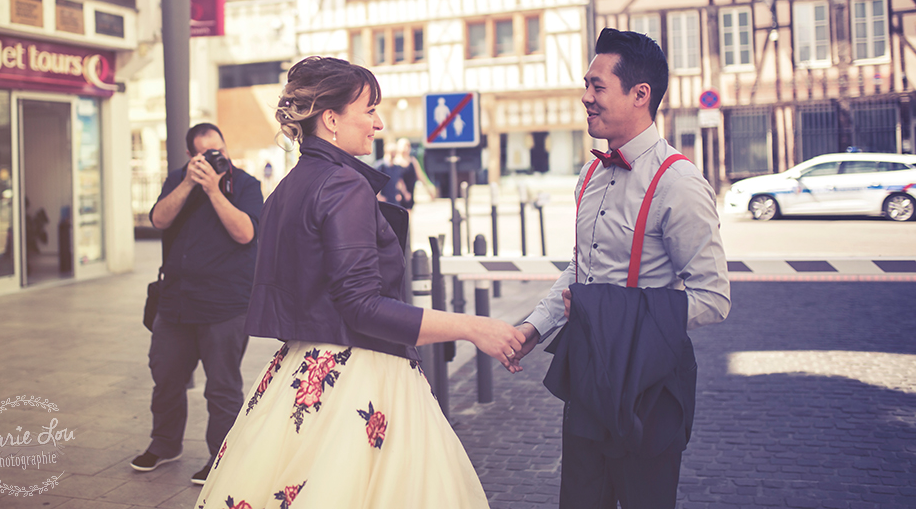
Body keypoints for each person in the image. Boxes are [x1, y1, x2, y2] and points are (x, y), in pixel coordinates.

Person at [195, 56, 524, 509]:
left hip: (297, 370)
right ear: (330, 119)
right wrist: (473, 327)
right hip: (360, 374)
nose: (378, 122)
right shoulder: (343, 185)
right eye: (369, 110)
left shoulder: (287, 188)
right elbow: (362, 307)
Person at [511, 28, 731, 509]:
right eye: (586, 84)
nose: (585, 97)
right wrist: (535, 326)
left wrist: (614, 313)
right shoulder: (589, 174)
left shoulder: (679, 183)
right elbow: (580, 270)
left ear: (640, 94)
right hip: (587, 373)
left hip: (649, 383)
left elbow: (713, 298)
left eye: (597, 86)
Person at [132, 123, 263, 485]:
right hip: (175, 301)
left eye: (219, 150)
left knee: (222, 387)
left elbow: (246, 233)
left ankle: (221, 456)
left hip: (225, 304)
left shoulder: (247, 185)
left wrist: (214, 189)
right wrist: (190, 183)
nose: (215, 158)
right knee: (166, 378)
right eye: (205, 154)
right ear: (192, 156)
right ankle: (164, 444)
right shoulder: (178, 179)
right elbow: (159, 219)